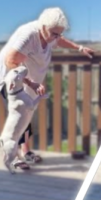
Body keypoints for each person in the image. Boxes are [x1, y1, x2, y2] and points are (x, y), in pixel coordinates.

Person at [0, 7, 95, 170]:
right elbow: (11, 60)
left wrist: (79, 48)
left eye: (59, 34)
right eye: (54, 33)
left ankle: (26, 151)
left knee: (26, 119)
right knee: (16, 122)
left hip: (30, 85)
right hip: (13, 83)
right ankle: (13, 158)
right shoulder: (29, 35)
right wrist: (31, 83)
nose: (56, 38)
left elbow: (60, 40)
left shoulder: (51, 34)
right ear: (42, 26)